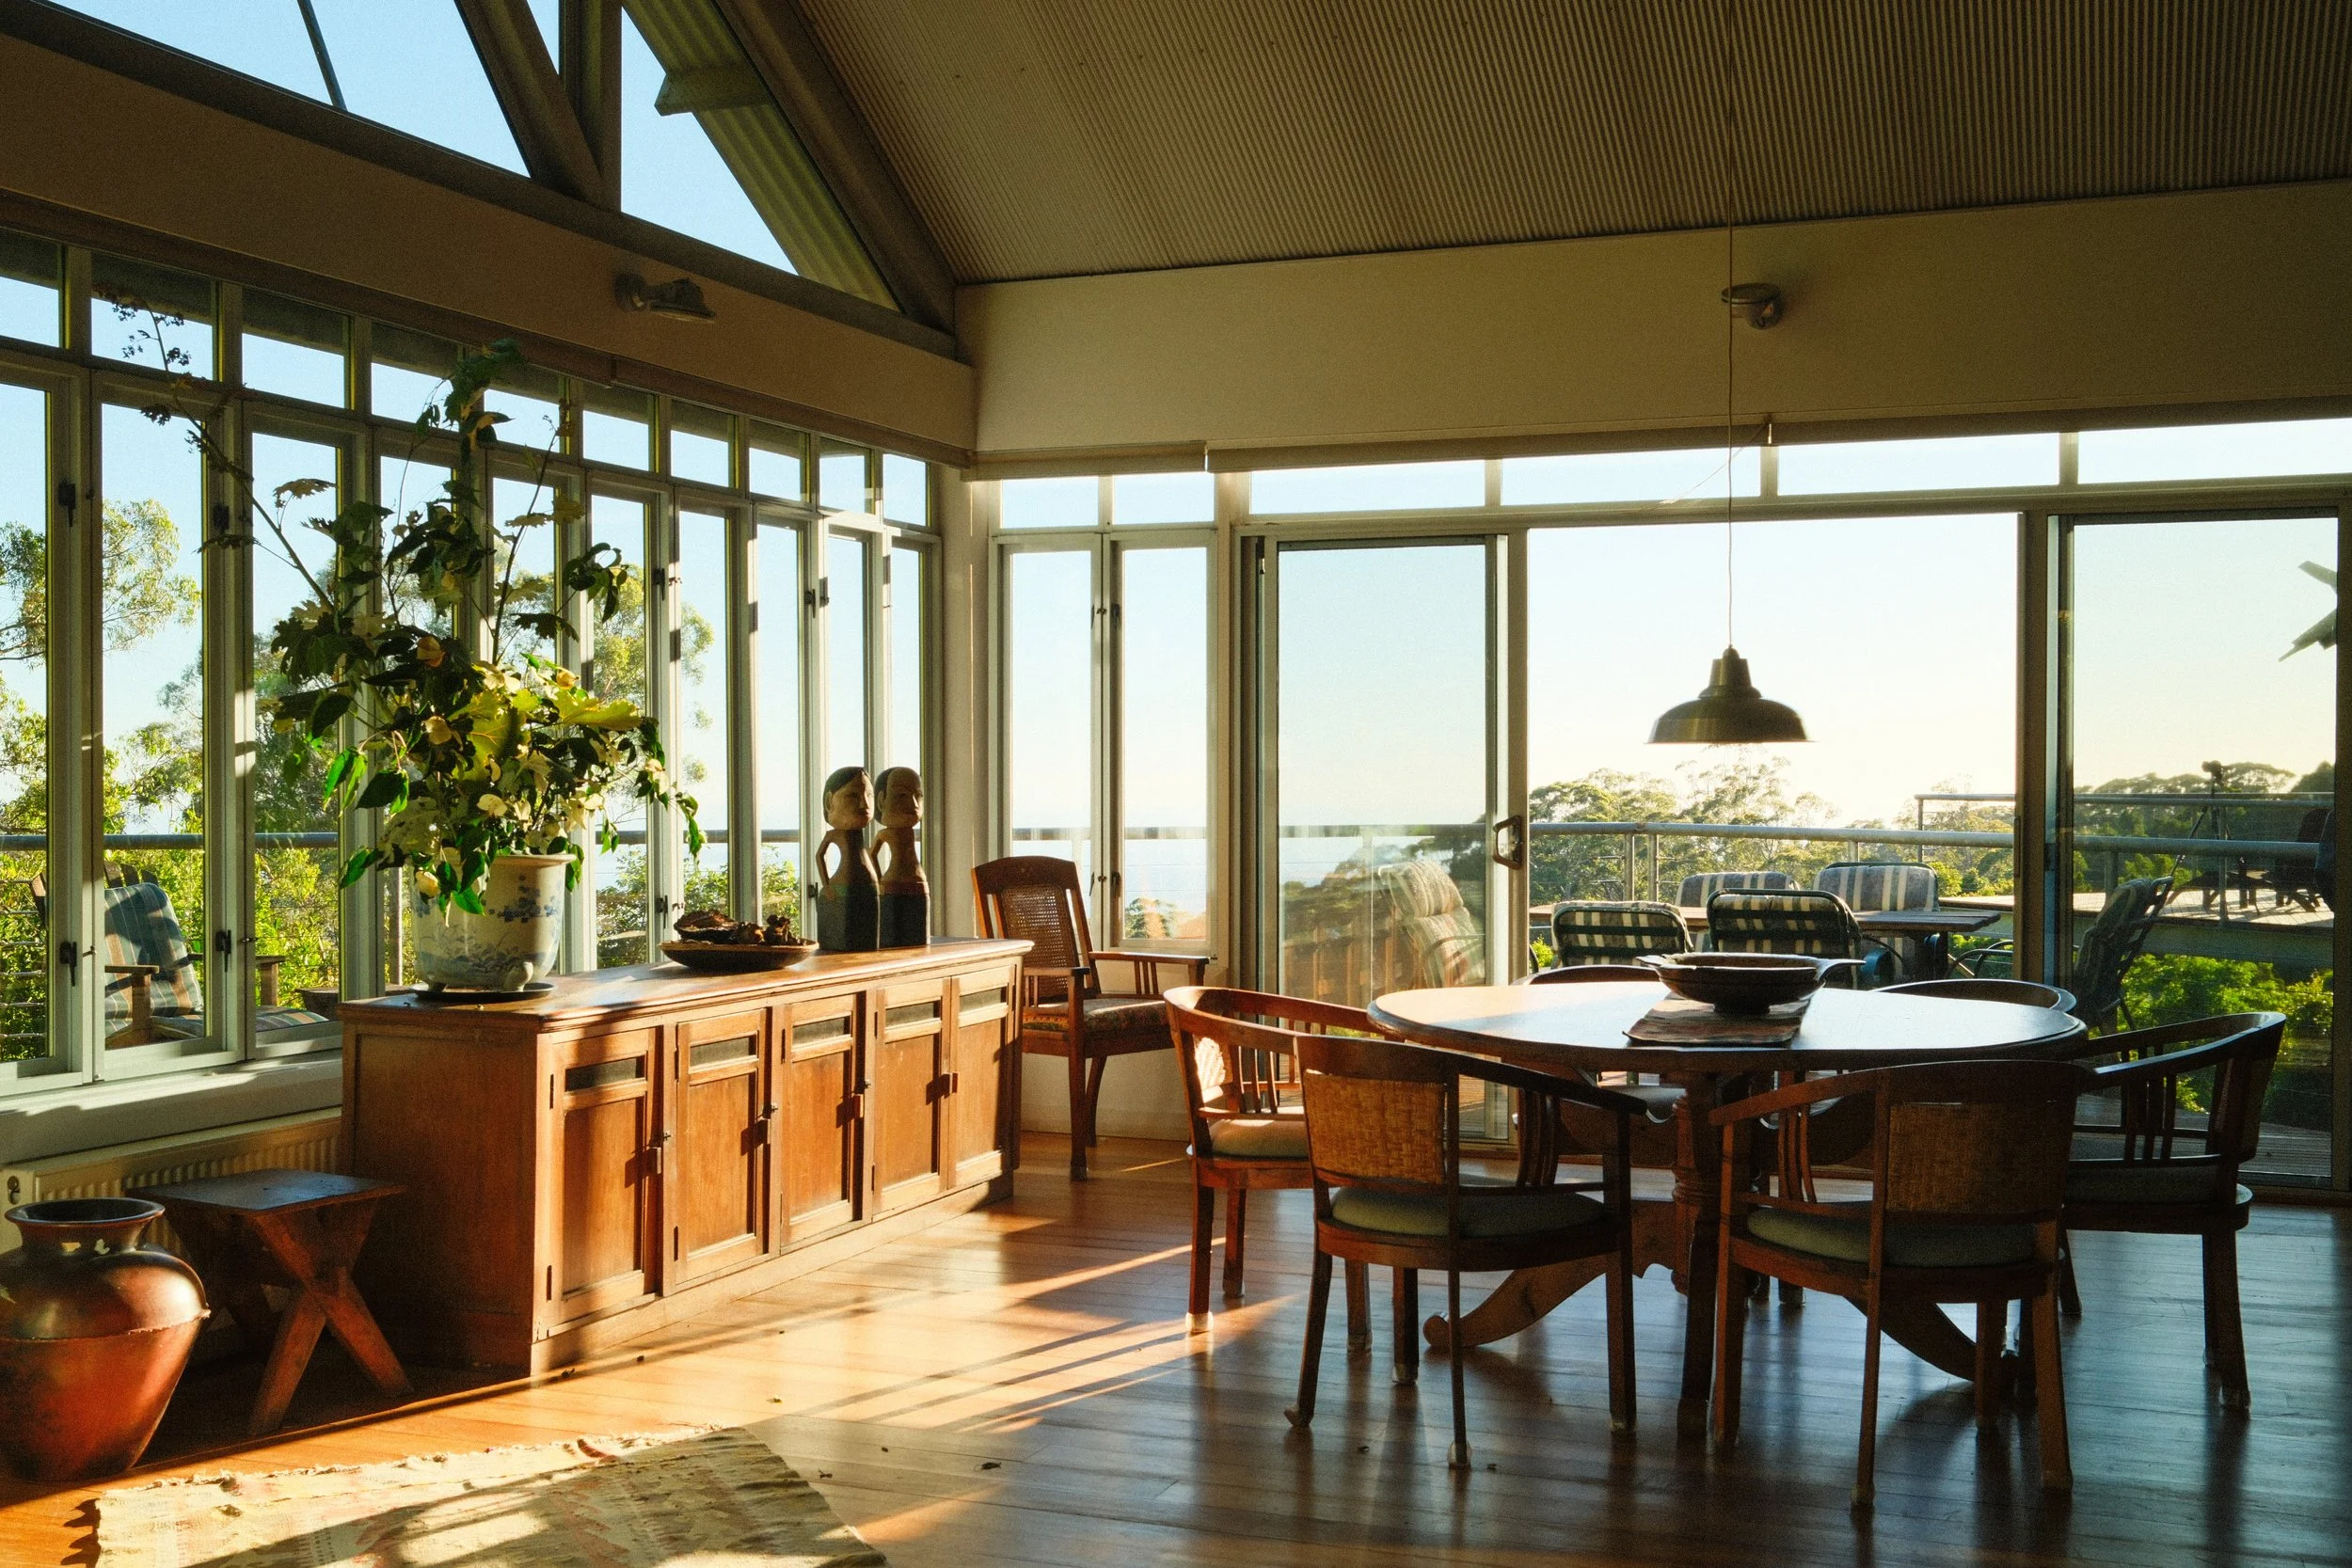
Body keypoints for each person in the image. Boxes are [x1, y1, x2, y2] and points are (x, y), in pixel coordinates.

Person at [816, 766, 880, 951]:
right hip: (843, 886)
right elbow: (820, 855)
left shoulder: (857, 836)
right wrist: (827, 886)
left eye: (869, 795)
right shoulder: (834, 835)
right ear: (829, 802)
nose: (864, 804)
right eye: (853, 796)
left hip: (867, 884)